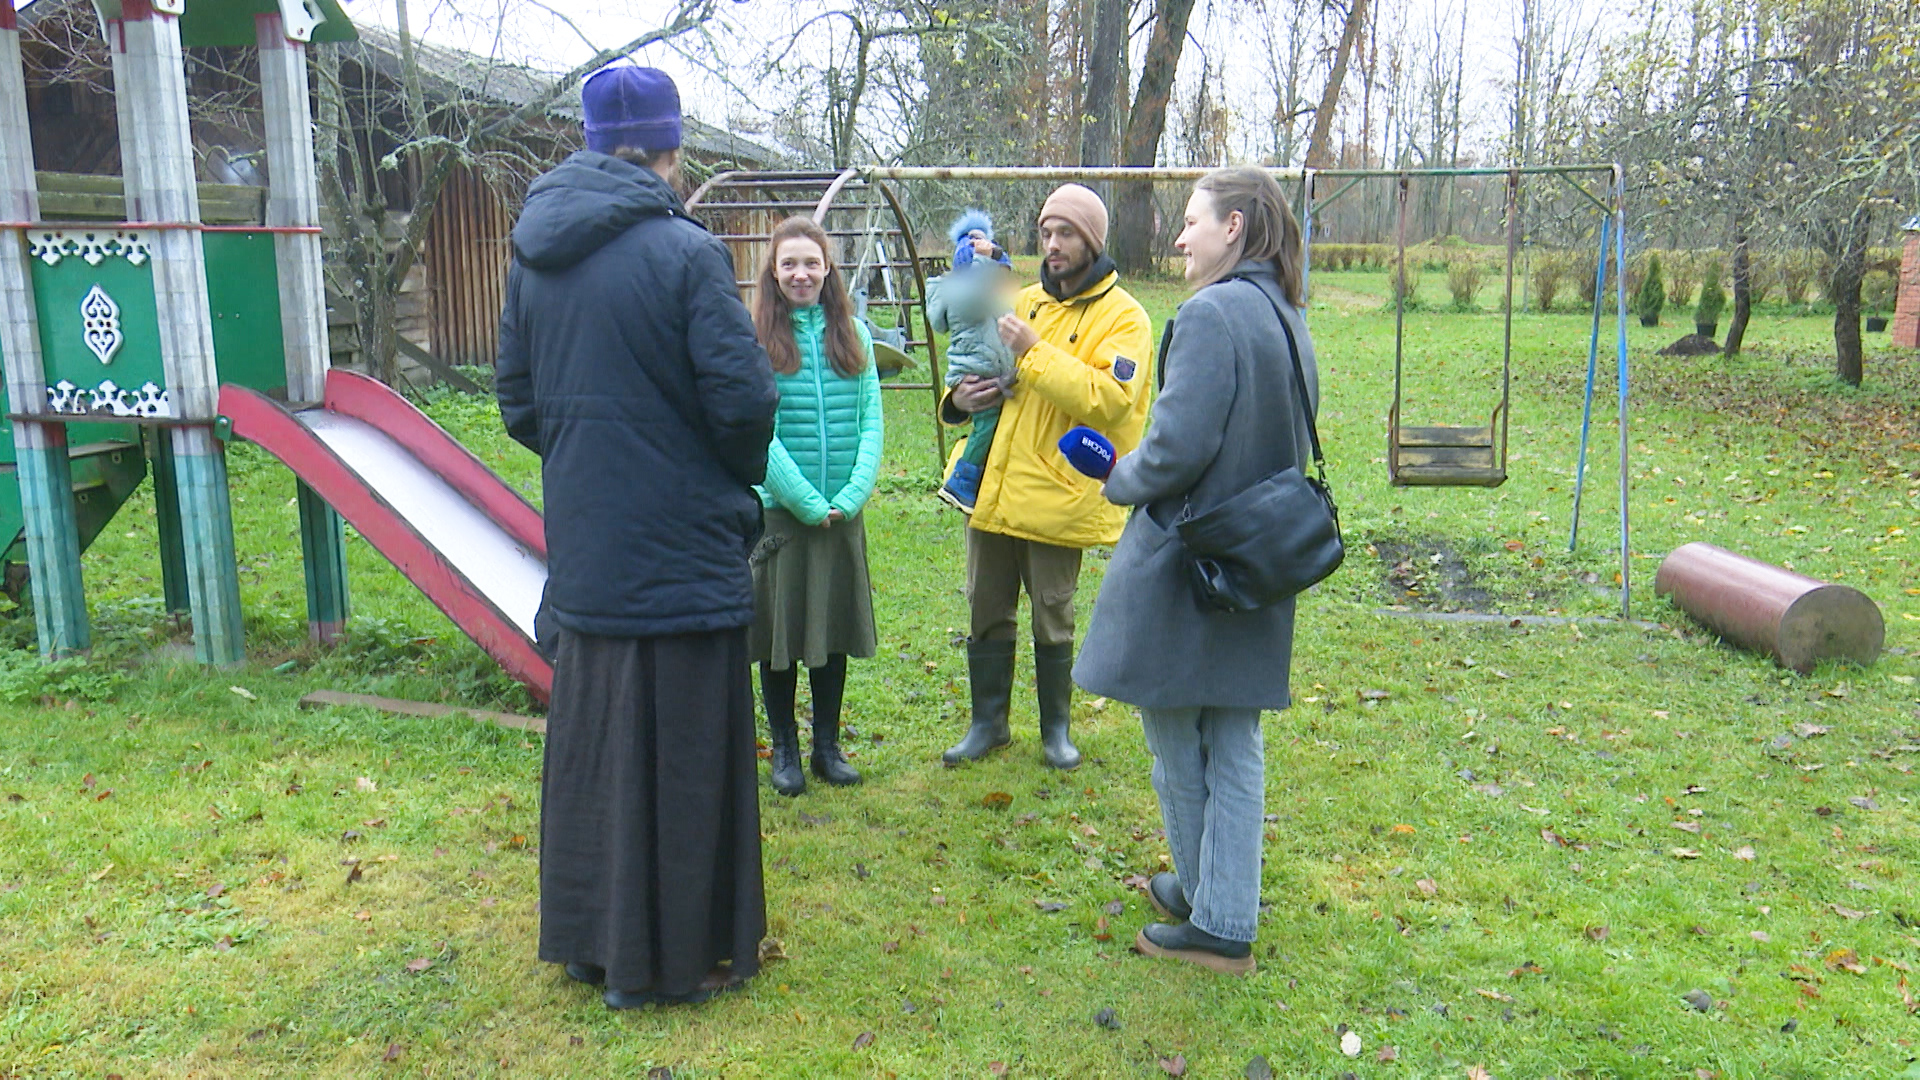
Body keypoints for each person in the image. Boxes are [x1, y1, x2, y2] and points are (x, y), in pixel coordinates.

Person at [495, 65, 778, 1009]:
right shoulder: (685, 253)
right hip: (684, 544)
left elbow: (519, 406)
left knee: (597, 746)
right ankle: (676, 954)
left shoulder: (534, 251)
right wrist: (705, 469)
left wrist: (594, 458)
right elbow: (743, 405)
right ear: (670, 148)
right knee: (686, 745)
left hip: (591, 541)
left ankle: (592, 948)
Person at [1073, 167, 1320, 975]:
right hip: (1257, 556)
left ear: (1236, 227)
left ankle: (1220, 919)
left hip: (1196, 560)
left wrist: (1117, 478)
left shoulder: (1214, 313)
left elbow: (1177, 448)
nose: (1179, 238)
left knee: (1179, 727)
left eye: (1192, 222)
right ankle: (1213, 890)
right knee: (1230, 728)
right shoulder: (1285, 313)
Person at [939, 183, 1154, 770]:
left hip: (1059, 493)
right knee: (986, 605)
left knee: (1052, 612)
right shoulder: (1023, 298)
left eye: (1065, 234)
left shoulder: (1125, 318)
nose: (1052, 245)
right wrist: (960, 397)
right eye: (1045, 232)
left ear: (1092, 240)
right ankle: (988, 724)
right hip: (995, 486)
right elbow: (974, 357)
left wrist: (1033, 352)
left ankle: (1055, 730)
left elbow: (1109, 401)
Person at [749, 216, 884, 797]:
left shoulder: (853, 334)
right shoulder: (755, 341)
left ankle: (826, 746)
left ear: (828, 268)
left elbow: (871, 421)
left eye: (811, 263)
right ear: (773, 274)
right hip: (784, 515)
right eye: (789, 264)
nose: (801, 273)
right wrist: (804, 501)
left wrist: (851, 495)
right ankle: (784, 749)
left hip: (840, 514)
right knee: (780, 639)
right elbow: (759, 433)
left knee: (829, 631)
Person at [928, 210, 1017, 512]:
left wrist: (996, 254)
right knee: (987, 424)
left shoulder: (983, 292)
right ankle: (963, 479)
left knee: (993, 425)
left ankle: (974, 476)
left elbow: (1001, 273)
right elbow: (981, 289)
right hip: (975, 372)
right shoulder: (965, 294)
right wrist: (985, 256)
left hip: (983, 368)